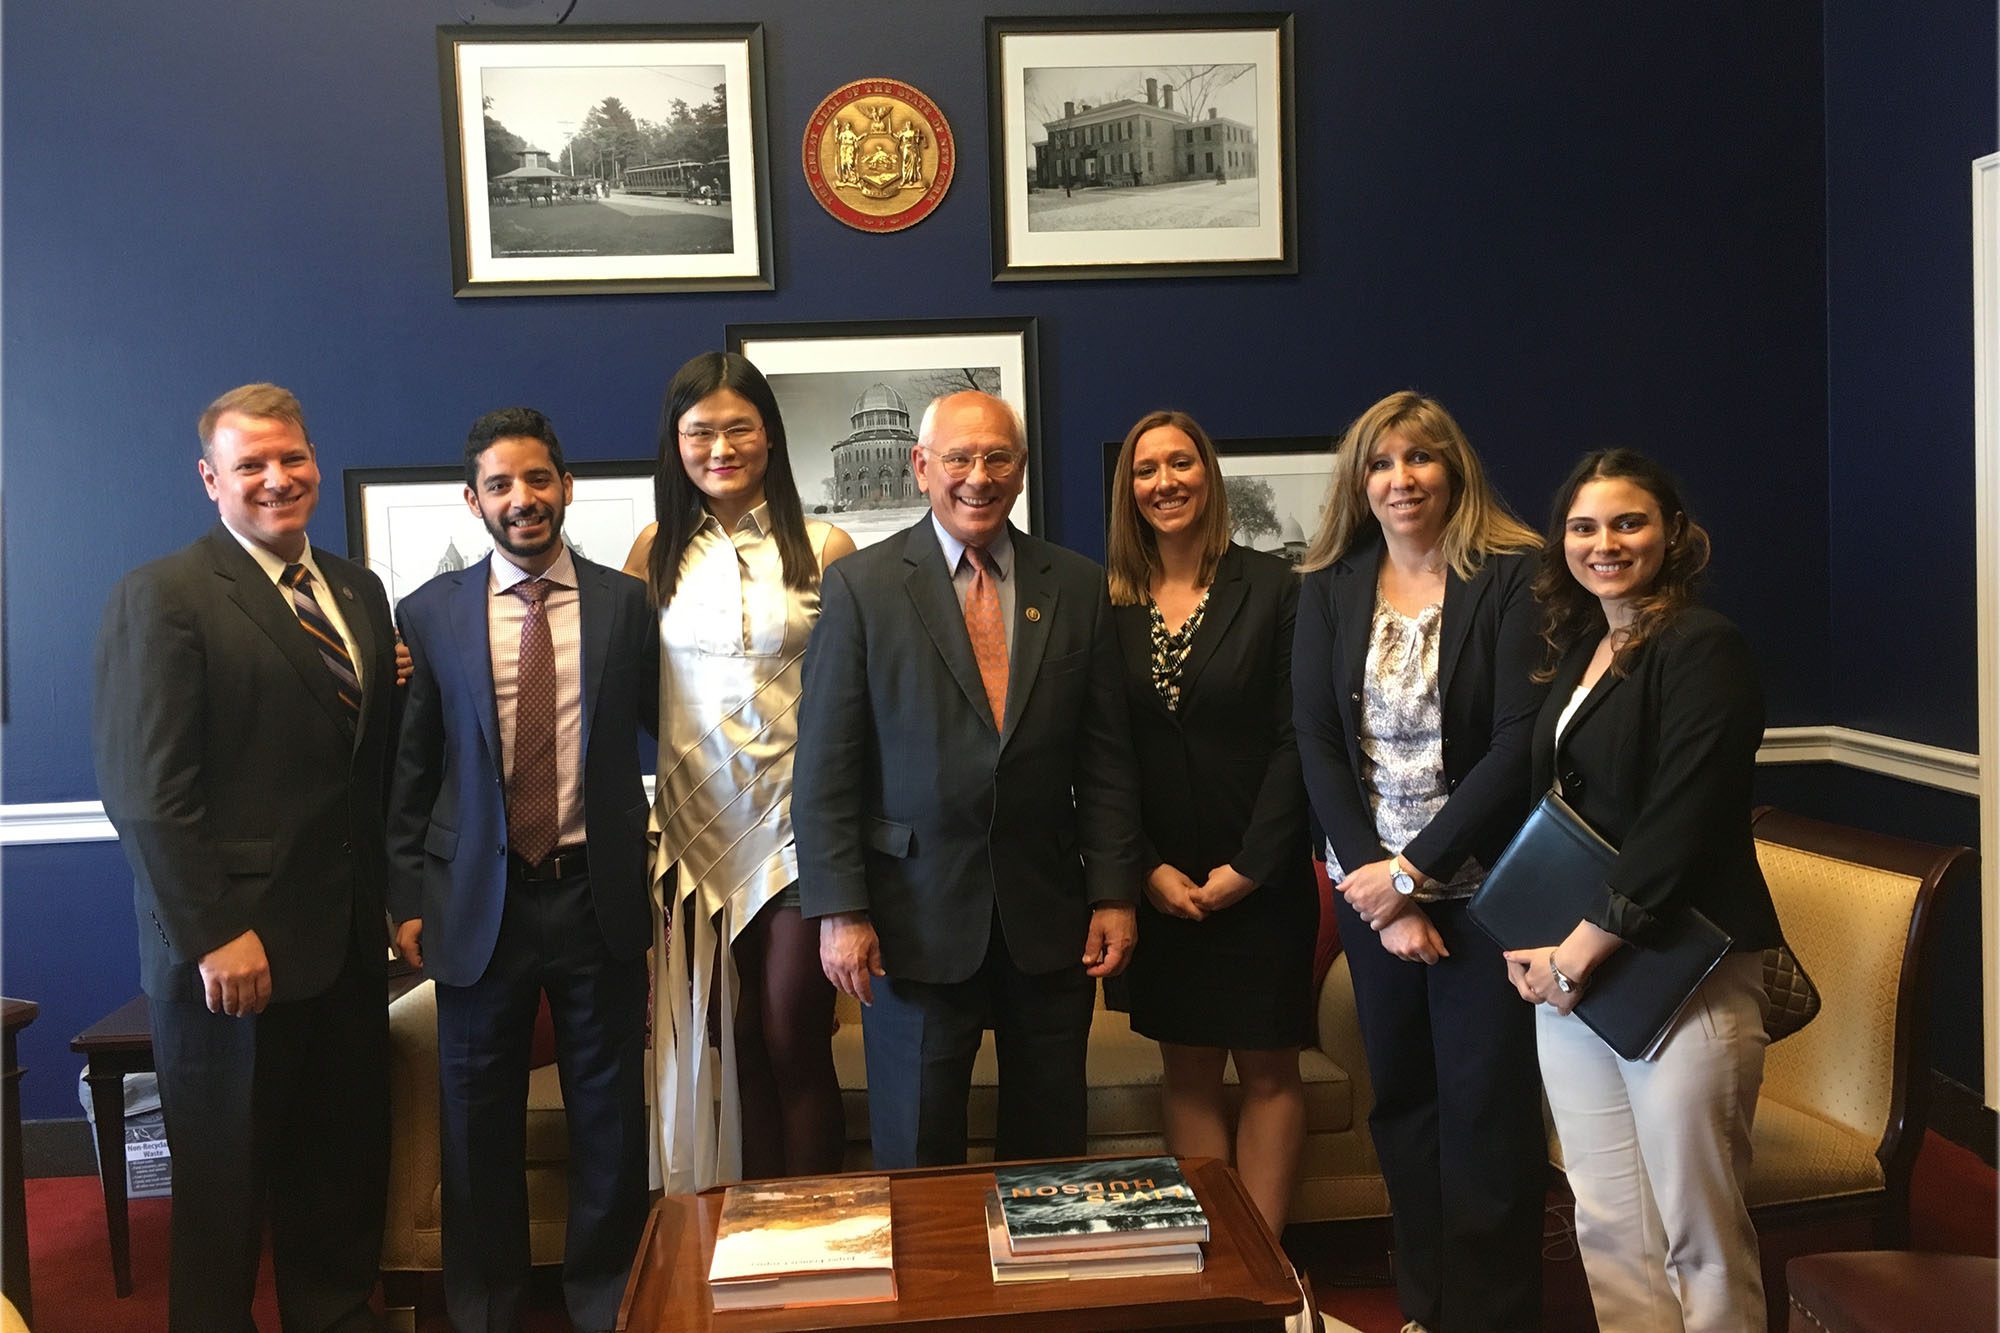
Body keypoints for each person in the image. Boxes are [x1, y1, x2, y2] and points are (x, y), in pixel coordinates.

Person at [92, 383, 397, 1332]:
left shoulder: (356, 589)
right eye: (252, 464)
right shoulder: (166, 594)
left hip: (346, 949)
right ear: (210, 479)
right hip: (235, 960)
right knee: (226, 1196)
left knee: (339, 1176)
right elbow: (147, 794)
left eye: (292, 457)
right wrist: (218, 932)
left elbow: (363, 767)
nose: (278, 479)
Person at [793, 390, 1143, 1169]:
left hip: (1048, 917)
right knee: (917, 1158)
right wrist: (841, 910)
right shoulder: (861, 588)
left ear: (1020, 471)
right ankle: (929, 1297)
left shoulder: (1077, 586)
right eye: (958, 458)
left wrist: (1116, 892)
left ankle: (1043, 1293)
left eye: (997, 458)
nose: (977, 477)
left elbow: (1107, 757)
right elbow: (825, 768)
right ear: (922, 467)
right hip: (910, 919)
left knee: (1050, 1160)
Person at [388, 407, 657, 1333]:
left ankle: (606, 1302)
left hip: (598, 892)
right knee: (473, 1122)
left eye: (538, 479)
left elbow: (679, 733)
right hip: (476, 904)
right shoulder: (427, 613)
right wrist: (403, 894)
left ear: (567, 485)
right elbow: (411, 769)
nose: (522, 499)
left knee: (611, 1120)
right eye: (500, 484)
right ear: (474, 500)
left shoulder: (628, 604)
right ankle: (489, 1309)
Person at [1503, 448, 1782, 1332]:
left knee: (1697, 1230)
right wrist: (1529, 937)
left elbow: (1682, 816)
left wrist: (1581, 947)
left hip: (1678, 967)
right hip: (1571, 975)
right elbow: (1557, 808)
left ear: (1671, 534)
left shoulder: (1705, 646)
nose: (1605, 542)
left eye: (1629, 522)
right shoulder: (1586, 646)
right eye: (1584, 526)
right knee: (1609, 1219)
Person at [1293, 391, 1548, 1333]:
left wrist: (1416, 874)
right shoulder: (1326, 583)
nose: (1400, 479)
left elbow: (1518, 745)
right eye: (1380, 462)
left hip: (1488, 891)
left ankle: (1494, 1317)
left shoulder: (1514, 577)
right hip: (1371, 900)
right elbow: (1318, 743)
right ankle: (1426, 1310)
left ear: (1453, 470)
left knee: (1488, 1116)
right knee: (1402, 1107)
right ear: (1360, 482)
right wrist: (1381, 889)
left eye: (1419, 459)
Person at [621, 352, 855, 1191]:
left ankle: (819, 1222)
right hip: (694, 829)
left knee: (793, 1027)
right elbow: (616, 678)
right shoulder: (653, 548)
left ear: (770, 434)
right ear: (676, 442)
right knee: (732, 1037)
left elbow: (851, 694)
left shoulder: (826, 544)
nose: (721, 446)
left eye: (739, 426)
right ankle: (761, 1230)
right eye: (700, 431)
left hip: (801, 829)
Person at [1103, 410, 1314, 1234]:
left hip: (1258, 878)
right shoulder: (1106, 599)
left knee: (1268, 1070)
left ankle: (1264, 1267)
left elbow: (1299, 737)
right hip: (1160, 884)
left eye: (1181, 463)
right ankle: (1218, 1265)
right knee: (1186, 1070)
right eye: (1146, 470)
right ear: (1129, 491)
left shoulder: (1274, 586)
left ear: (1209, 474)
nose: (1165, 483)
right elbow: (1103, 752)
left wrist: (1252, 866)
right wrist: (1144, 867)